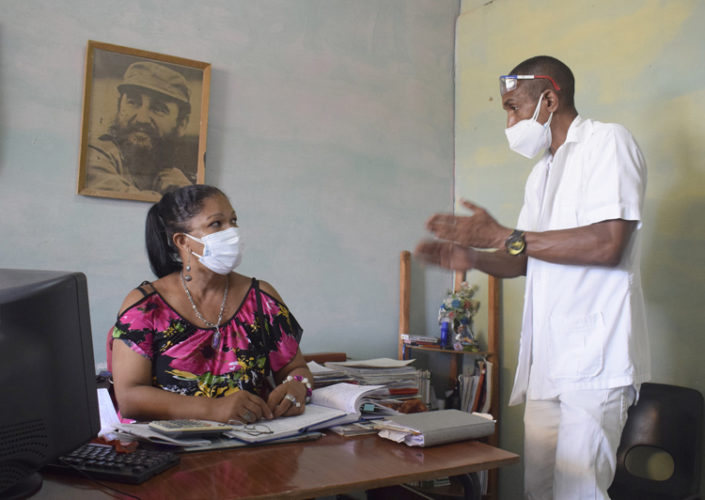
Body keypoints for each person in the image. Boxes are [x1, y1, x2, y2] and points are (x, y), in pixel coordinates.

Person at [415, 56, 649, 499]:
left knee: (579, 492)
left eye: (513, 107)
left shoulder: (607, 142)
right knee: (537, 491)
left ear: (549, 100)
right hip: (547, 362)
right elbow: (522, 258)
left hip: (595, 360)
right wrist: (472, 255)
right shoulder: (541, 172)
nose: (509, 122)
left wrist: (503, 236)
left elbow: (608, 244)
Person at [109, 184, 313, 424]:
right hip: (167, 443)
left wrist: (297, 386)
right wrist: (213, 409)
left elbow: (295, 369)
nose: (232, 231)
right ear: (183, 241)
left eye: (233, 220)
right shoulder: (145, 307)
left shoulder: (262, 299)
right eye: (216, 224)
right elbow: (129, 398)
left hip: (255, 437)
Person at [85, 61, 196, 197]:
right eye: (133, 102)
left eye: (158, 108)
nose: (142, 118)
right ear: (119, 107)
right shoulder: (95, 154)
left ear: (182, 124)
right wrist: (186, 196)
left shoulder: (175, 176)